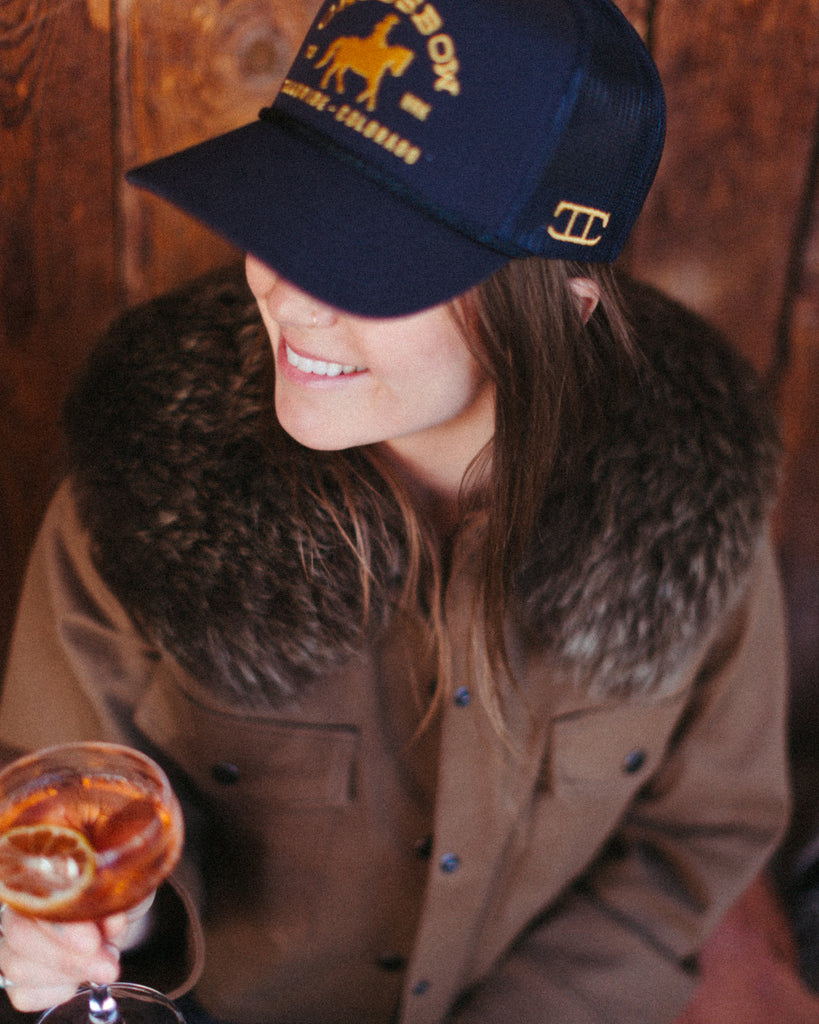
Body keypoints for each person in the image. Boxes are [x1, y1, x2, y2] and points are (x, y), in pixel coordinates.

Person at [0, 0, 791, 1021]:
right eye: (283, 216)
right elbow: (54, 802)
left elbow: (697, 837)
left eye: (369, 260)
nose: (286, 293)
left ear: (560, 307)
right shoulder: (136, 504)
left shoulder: (697, 511)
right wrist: (96, 928)